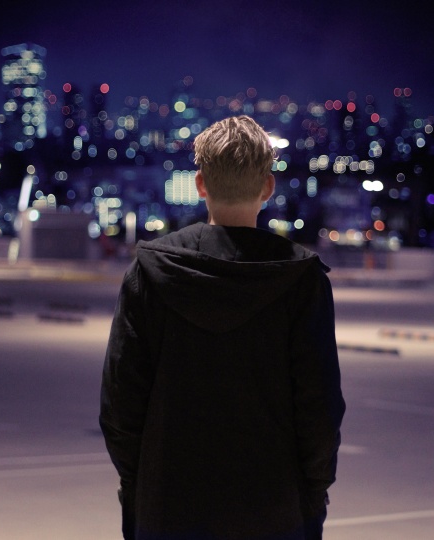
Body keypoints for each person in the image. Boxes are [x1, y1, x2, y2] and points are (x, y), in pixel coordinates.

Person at [100, 115, 345, 540]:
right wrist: (312, 500)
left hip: (167, 505)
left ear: (200, 184)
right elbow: (320, 407)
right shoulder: (301, 281)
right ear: (267, 188)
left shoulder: (151, 272)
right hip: (274, 508)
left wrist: (137, 489)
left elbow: (121, 404)